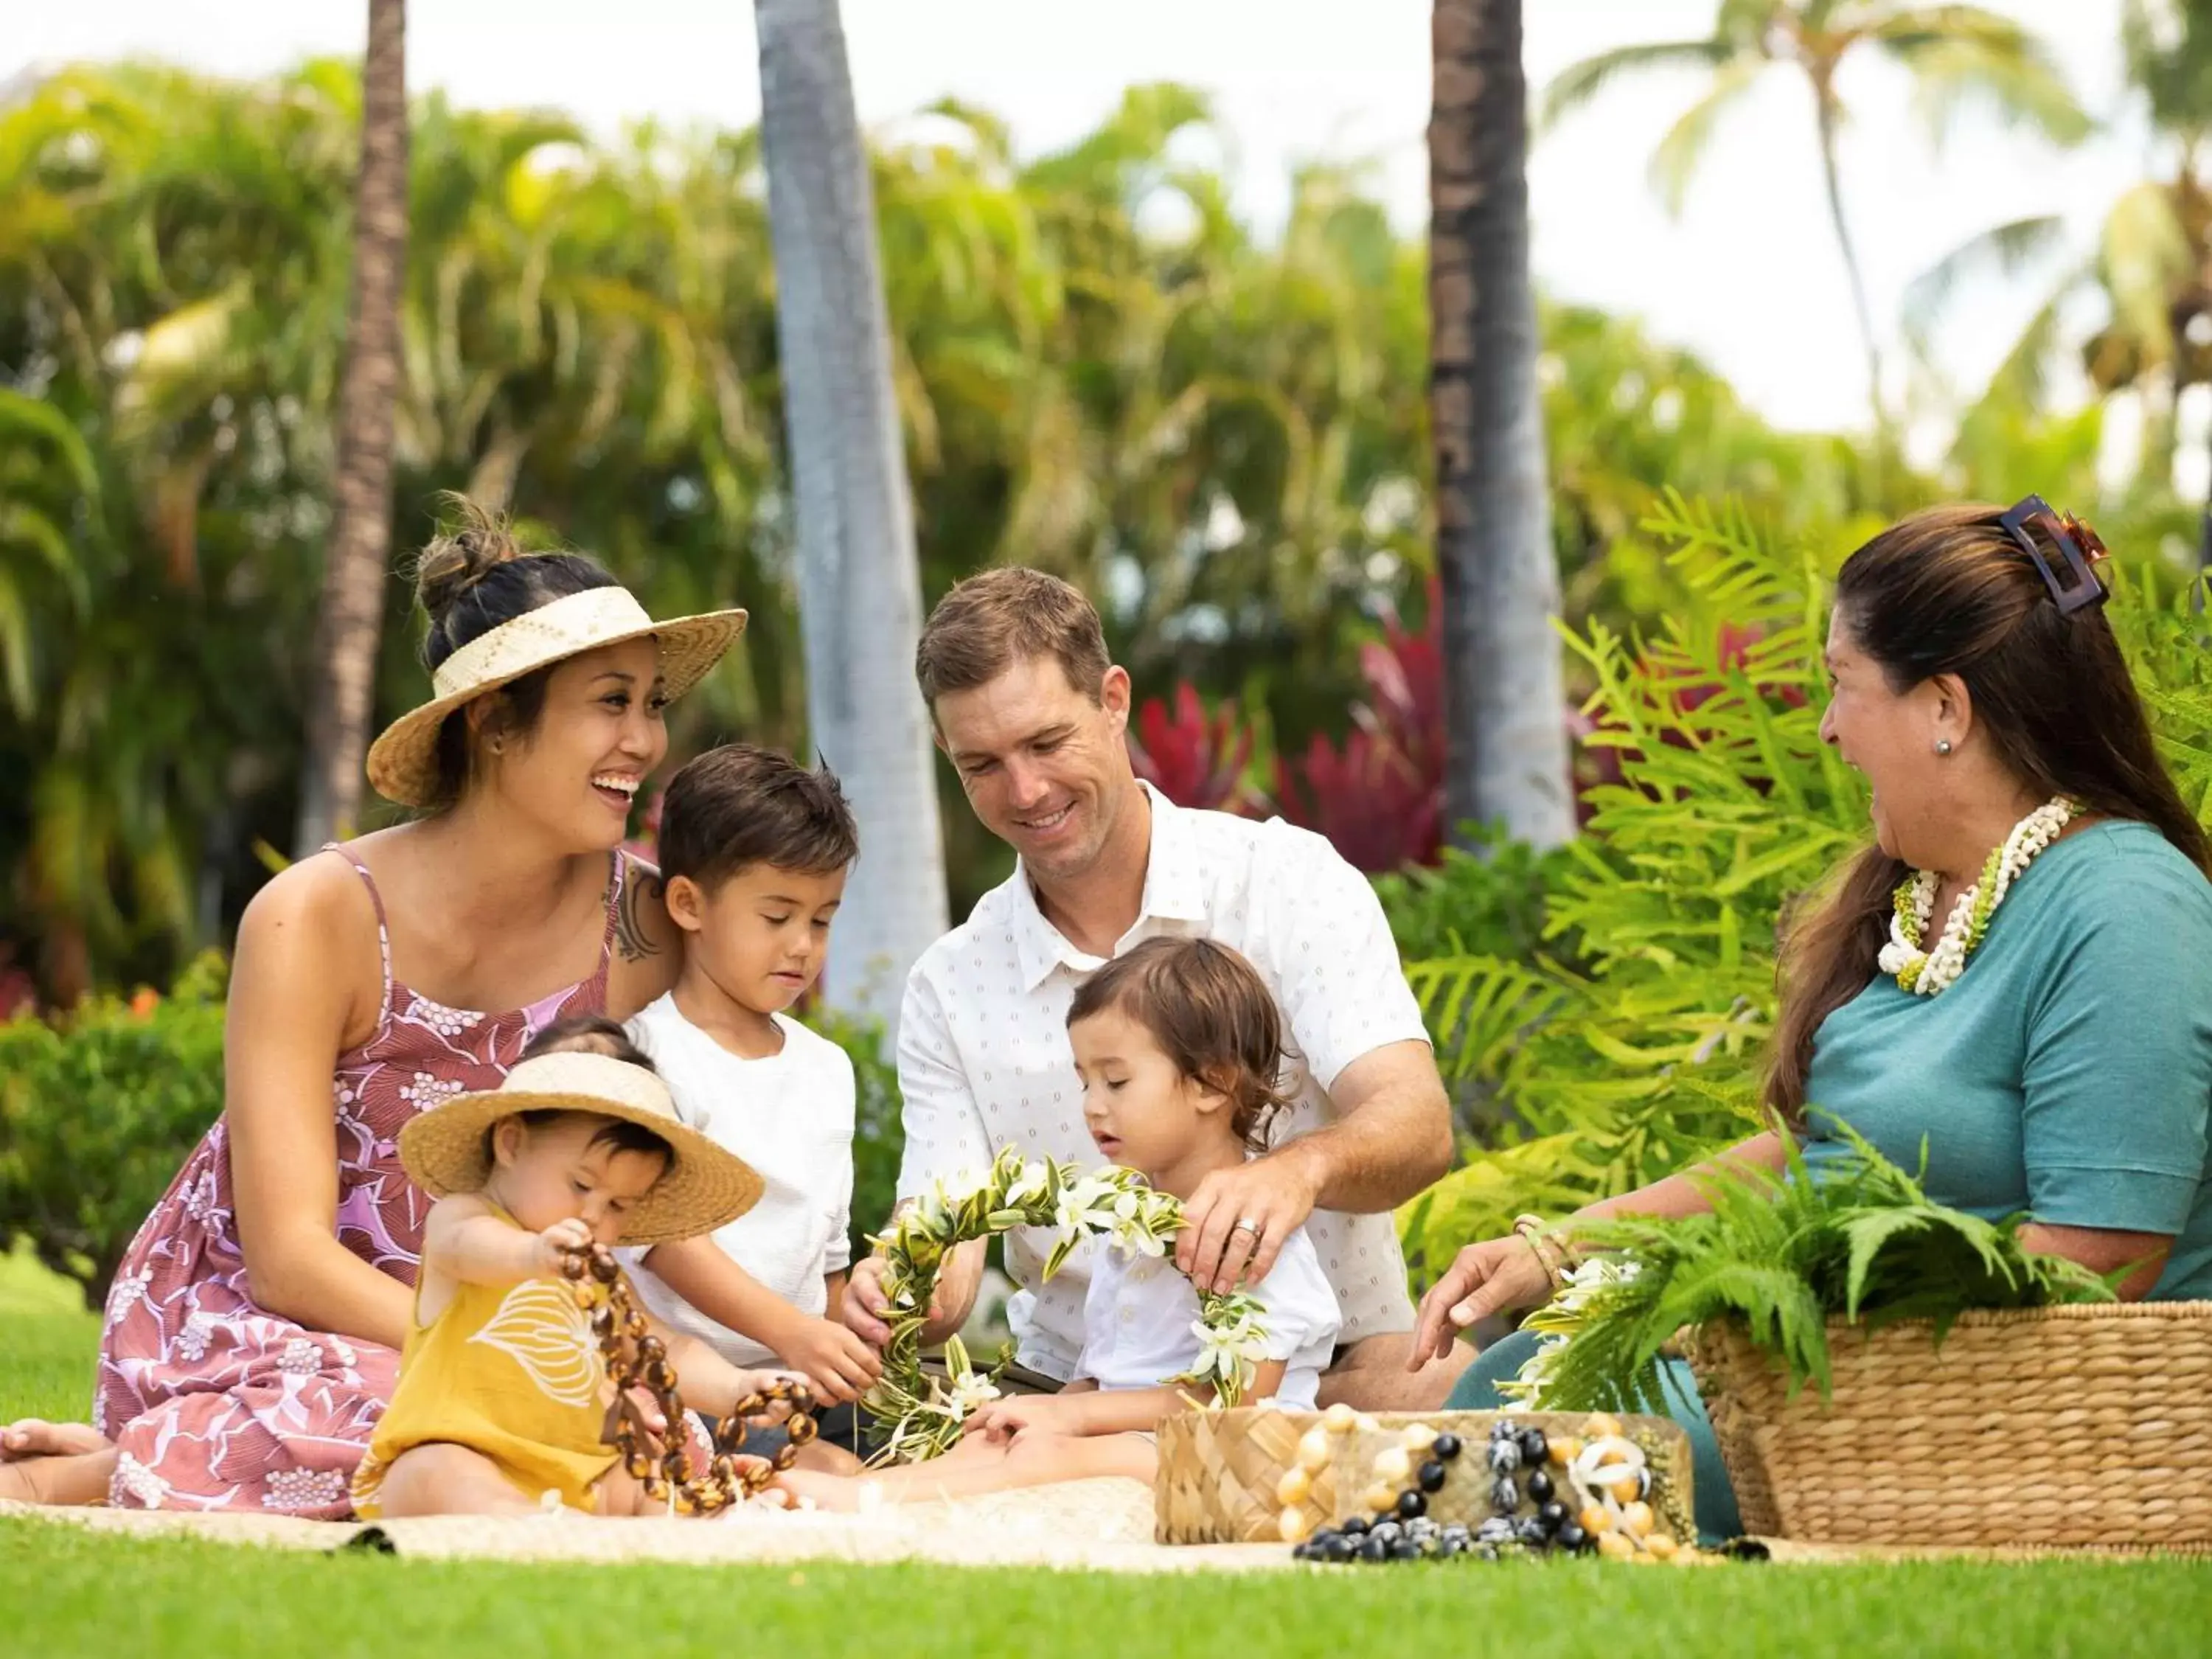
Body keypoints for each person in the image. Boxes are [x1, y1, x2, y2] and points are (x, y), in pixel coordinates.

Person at [1411, 498, 2212, 1541]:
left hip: (1989, 1415)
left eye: (1841, 682)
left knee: (1535, 1443)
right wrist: (1562, 1245)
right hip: (1846, 1372)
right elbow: (1817, 1158)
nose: (1828, 726)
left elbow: (2098, 1263)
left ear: (1943, 708)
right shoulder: (1930, 898)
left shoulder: (2123, 907)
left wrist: (1740, 1314)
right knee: (1512, 1380)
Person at [0, 497, 745, 1513]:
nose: (646, 740)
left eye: (652, 703)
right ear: (493, 720)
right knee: (408, 1416)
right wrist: (493, 1353)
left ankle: (157, 1457)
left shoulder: (641, 923)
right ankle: (96, 1467)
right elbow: (290, 1259)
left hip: (511, 1315)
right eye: (610, 702)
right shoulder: (317, 916)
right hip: (270, 1317)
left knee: (651, 1452)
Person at [841, 566, 1467, 1411]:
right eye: (981, 764)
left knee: (1478, 1398)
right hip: (1077, 1391)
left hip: (1332, 1371)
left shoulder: (1287, 880)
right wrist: (902, 1289)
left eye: (1046, 743)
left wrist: (1291, 1174)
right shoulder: (950, 983)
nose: (1025, 792)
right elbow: (947, 1248)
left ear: (1113, 700)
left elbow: (1419, 1127)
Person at [786, 936, 1340, 1508]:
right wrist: (1036, 1412)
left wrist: (1069, 1414)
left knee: (1051, 1454)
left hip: (1240, 1461)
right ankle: (865, 1494)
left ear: (1211, 1083)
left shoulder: (1251, 1238)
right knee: (998, 1441)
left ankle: (860, 1502)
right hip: (1130, 1439)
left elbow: (1236, 1402)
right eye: (1085, 1082)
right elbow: (1103, 1377)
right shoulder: (1129, 1228)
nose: (1093, 1106)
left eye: (1116, 1081)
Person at [354, 1017, 802, 1517]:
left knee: (643, 1479)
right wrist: (533, 1255)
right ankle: (525, 1525)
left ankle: (696, 1523)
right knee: (433, 1473)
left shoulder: (598, 1275)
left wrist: (736, 1390)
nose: (594, 1217)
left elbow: (664, 1352)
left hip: (581, 1468)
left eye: (619, 1206)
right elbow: (470, 1247)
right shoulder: (465, 1220)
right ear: (511, 1144)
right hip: (468, 1450)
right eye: (582, 1186)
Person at [618, 744, 881, 1437]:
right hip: (690, 1390)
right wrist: (793, 1334)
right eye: (777, 917)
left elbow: (826, 1259)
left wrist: (846, 1339)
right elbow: (662, 1240)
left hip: (806, 1375)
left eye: (822, 920)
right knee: (815, 1478)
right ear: (688, 904)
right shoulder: (650, 1055)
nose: (802, 945)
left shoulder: (827, 1068)